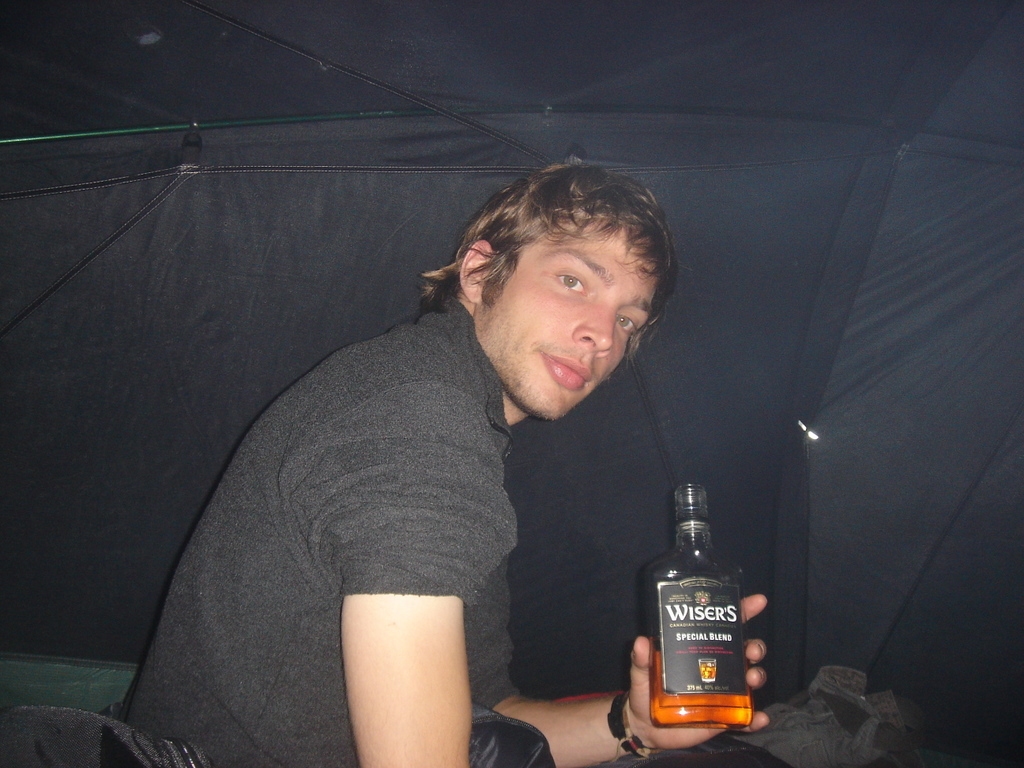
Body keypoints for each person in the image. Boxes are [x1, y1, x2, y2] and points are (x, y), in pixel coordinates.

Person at [126, 164, 769, 768]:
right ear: (479, 272)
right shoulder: (416, 417)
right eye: (574, 281)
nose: (602, 335)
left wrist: (632, 724)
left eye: (626, 318)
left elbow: (487, 716)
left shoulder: (450, 412)